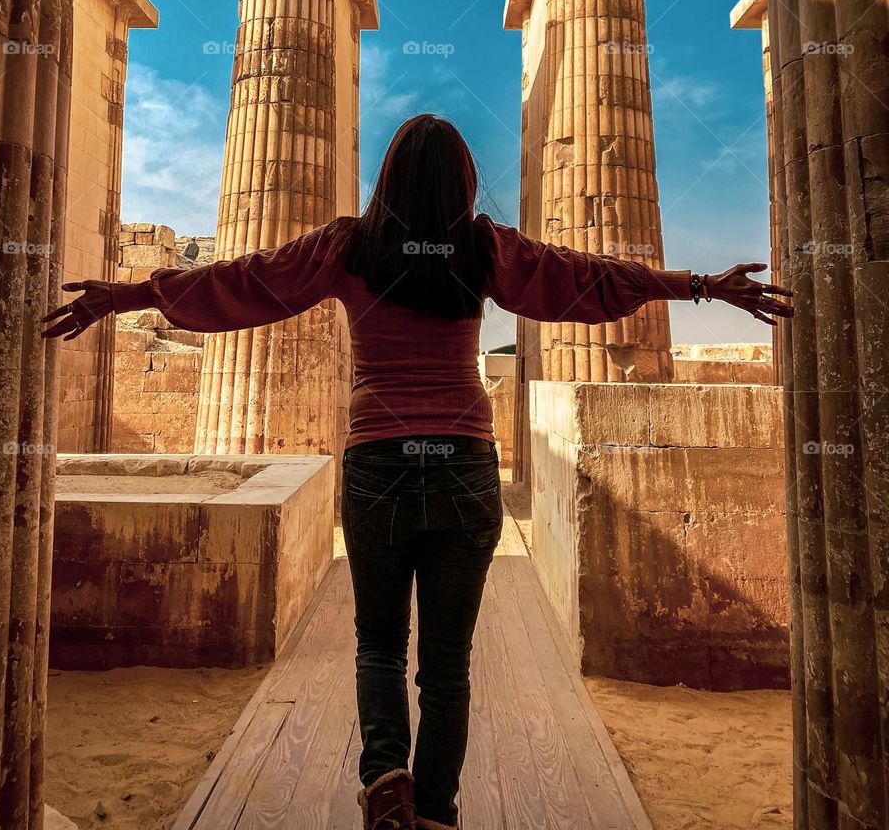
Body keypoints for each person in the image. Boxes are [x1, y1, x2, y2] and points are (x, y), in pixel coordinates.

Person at [44, 113, 793, 830]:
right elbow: (586, 280)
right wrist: (700, 285)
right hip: (464, 467)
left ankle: (383, 782)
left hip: (378, 465)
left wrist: (133, 294)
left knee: (377, 643)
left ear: (388, 178)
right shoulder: (483, 248)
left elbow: (247, 281)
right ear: (465, 182)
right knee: (447, 667)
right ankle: (435, 813)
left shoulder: (350, 246)